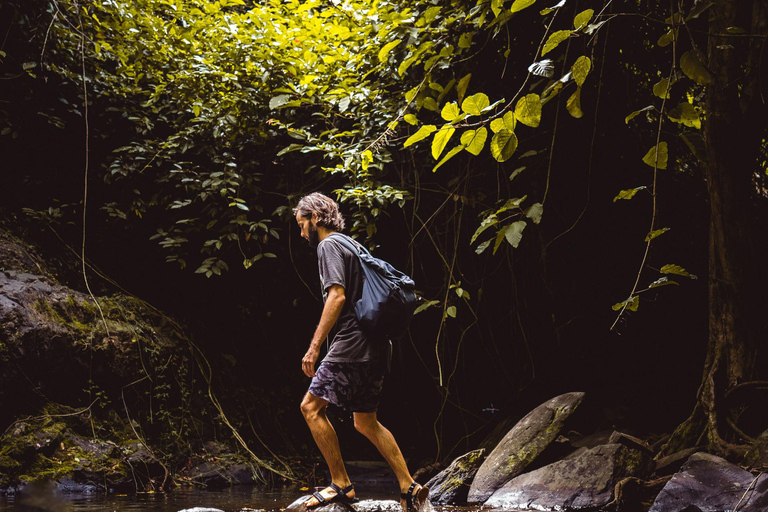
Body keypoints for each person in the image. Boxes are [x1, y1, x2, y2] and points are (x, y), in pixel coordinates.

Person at [293, 192, 428, 512]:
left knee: (311, 408)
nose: (301, 234)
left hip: (353, 343)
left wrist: (314, 347)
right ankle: (409, 487)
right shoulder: (352, 244)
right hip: (379, 345)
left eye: (301, 225)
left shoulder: (328, 245)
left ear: (315, 218)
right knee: (366, 422)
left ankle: (341, 485)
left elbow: (337, 297)